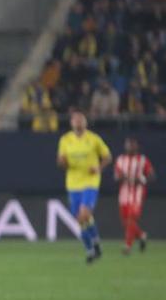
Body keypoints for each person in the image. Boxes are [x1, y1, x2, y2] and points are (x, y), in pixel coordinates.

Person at [56, 108, 111, 264]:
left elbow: (107, 156)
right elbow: (61, 161)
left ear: (85, 122)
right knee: (81, 219)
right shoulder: (65, 140)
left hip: (90, 181)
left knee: (83, 215)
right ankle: (95, 243)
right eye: (75, 120)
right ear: (71, 123)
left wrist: (99, 168)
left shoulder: (94, 139)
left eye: (81, 119)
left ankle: (90, 250)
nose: (78, 122)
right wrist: (62, 163)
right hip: (73, 183)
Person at [113, 136, 155, 254]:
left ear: (136, 146)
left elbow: (151, 175)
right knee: (125, 221)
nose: (130, 147)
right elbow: (116, 176)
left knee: (132, 218)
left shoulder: (142, 160)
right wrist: (121, 177)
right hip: (124, 193)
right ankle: (141, 235)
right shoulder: (121, 159)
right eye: (128, 144)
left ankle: (127, 245)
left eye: (132, 144)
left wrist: (142, 179)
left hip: (137, 194)